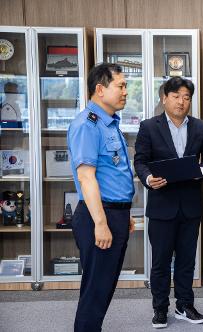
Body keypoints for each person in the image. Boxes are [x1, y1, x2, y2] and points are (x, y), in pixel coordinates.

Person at [134, 77, 203, 329]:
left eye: (187, 97)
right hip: (162, 205)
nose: (182, 102)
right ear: (164, 98)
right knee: (160, 261)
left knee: (186, 260)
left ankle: (184, 305)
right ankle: (160, 309)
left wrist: (201, 170)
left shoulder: (200, 127)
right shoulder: (149, 127)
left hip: (190, 205)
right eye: (176, 96)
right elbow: (140, 160)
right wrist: (148, 178)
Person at [67, 63, 135, 332]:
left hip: (114, 213)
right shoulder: (87, 124)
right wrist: (101, 222)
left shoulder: (109, 124)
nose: (125, 92)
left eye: (126, 86)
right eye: (120, 85)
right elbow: (86, 178)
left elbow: (113, 173)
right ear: (100, 89)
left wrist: (122, 214)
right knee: (95, 291)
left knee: (103, 287)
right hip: (99, 215)